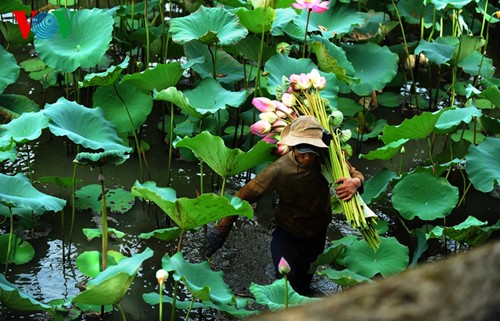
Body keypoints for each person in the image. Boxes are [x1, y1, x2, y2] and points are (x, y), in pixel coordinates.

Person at [206, 115, 364, 296]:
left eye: (311, 151)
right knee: (287, 286)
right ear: (293, 147)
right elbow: (245, 195)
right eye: (302, 151)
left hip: (317, 232)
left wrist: (355, 183)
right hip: (287, 234)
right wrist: (223, 228)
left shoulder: (328, 160)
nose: (307, 157)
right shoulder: (279, 169)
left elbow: (355, 174)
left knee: (303, 287)